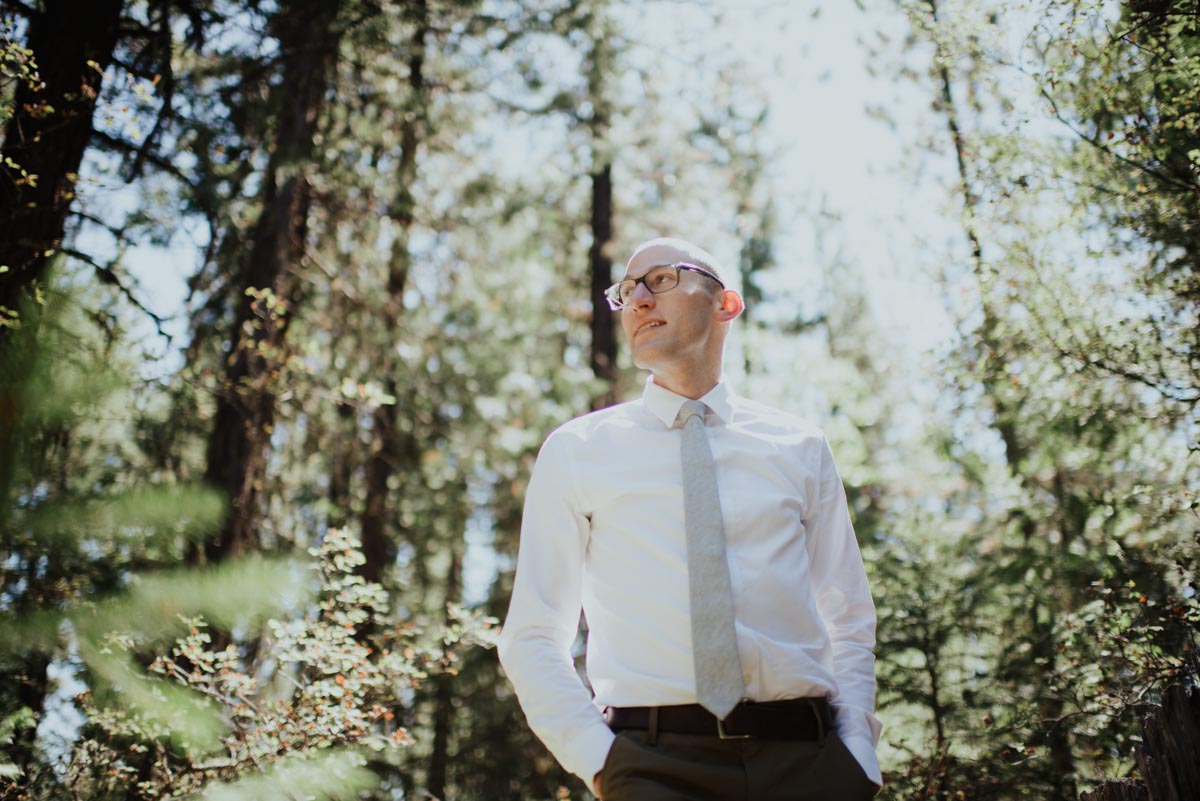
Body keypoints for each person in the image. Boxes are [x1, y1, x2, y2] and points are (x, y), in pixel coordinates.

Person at [498, 237, 881, 800]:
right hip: (654, 769)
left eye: (660, 280)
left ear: (726, 304)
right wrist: (602, 763)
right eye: (626, 291)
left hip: (808, 764)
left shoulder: (799, 446)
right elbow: (532, 635)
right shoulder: (578, 450)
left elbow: (847, 618)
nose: (638, 301)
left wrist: (856, 754)